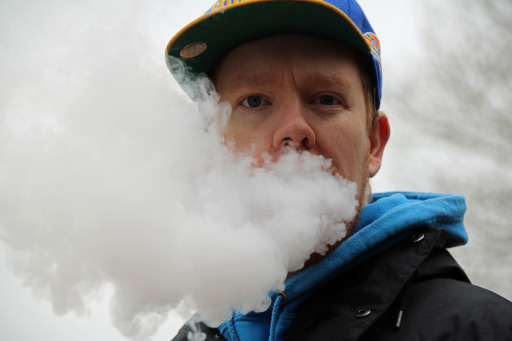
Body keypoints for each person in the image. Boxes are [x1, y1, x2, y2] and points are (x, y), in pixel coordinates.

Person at [166, 0, 512, 340]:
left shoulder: (483, 330)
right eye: (254, 101)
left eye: (326, 99)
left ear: (374, 144)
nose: (294, 128)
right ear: (212, 146)